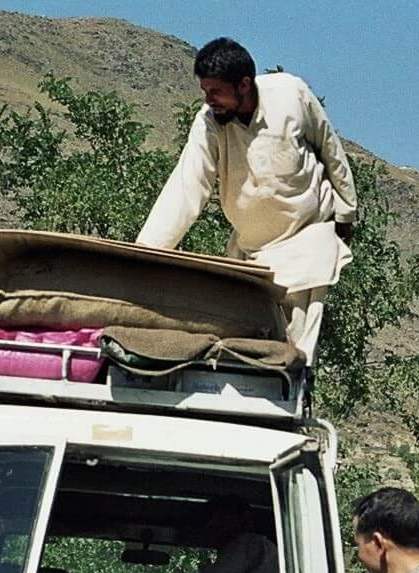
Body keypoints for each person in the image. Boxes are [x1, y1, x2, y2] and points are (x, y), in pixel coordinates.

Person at [137, 37, 357, 363]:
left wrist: (346, 212)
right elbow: (186, 188)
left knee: (296, 348)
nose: (208, 99)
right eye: (205, 91)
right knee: (249, 341)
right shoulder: (209, 123)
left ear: (243, 84)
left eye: (215, 91)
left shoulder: (290, 95)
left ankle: (292, 400)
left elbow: (329, 149)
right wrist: (144, 256)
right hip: (253, 249)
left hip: (307, 237)